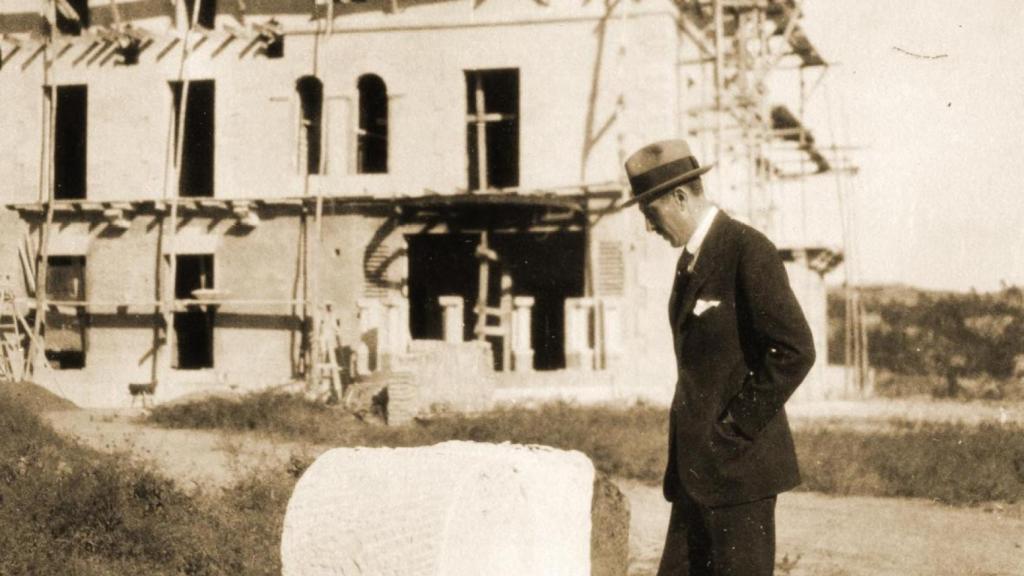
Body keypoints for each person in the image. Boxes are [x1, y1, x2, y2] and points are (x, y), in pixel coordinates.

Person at [620, 139, 816, 576]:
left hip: (739, 473)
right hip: (696, 474)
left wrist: (734, 427)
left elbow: (795, 350)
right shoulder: (690, 260)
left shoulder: (748, 250)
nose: (650, 228)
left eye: (651, 214)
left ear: (681, 197)